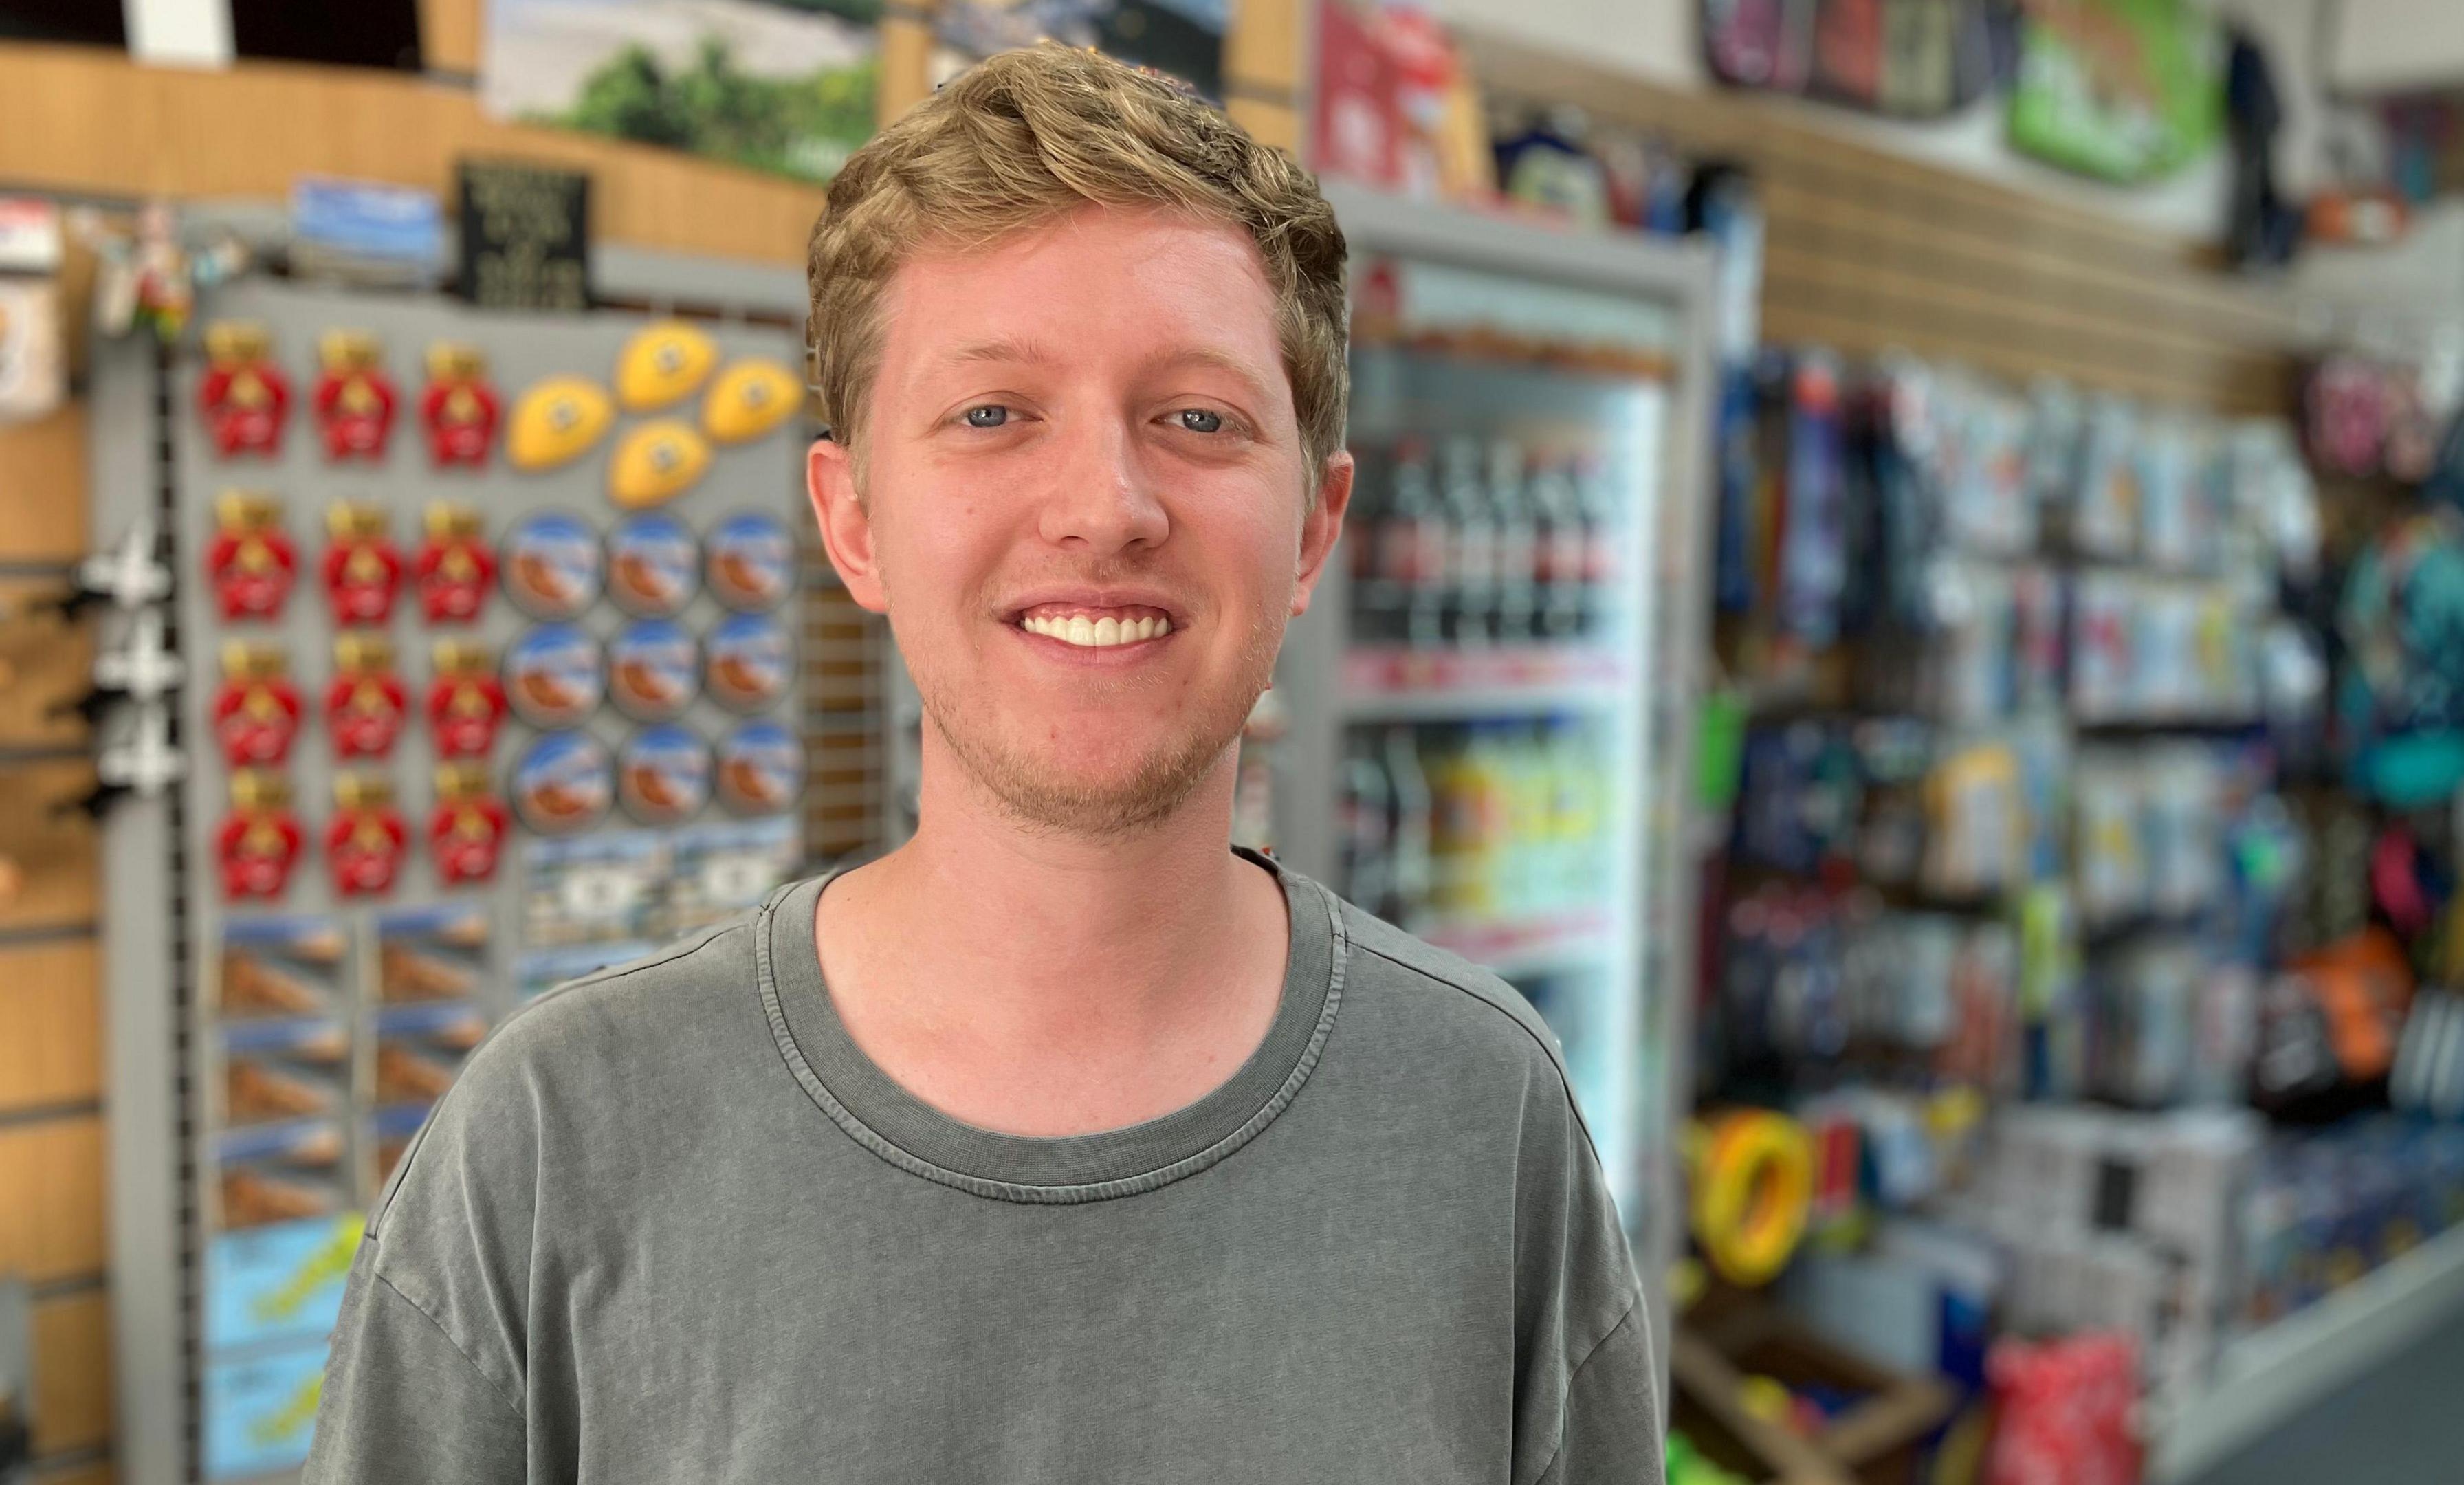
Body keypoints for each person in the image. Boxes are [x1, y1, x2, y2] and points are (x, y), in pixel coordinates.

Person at [306, 43, 1658, 1484]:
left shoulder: (1484, 1114)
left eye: (1198, 418)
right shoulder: (552, 1141)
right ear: (856, 522)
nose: (1105, 507)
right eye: (993, 413)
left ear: (1315, 529)